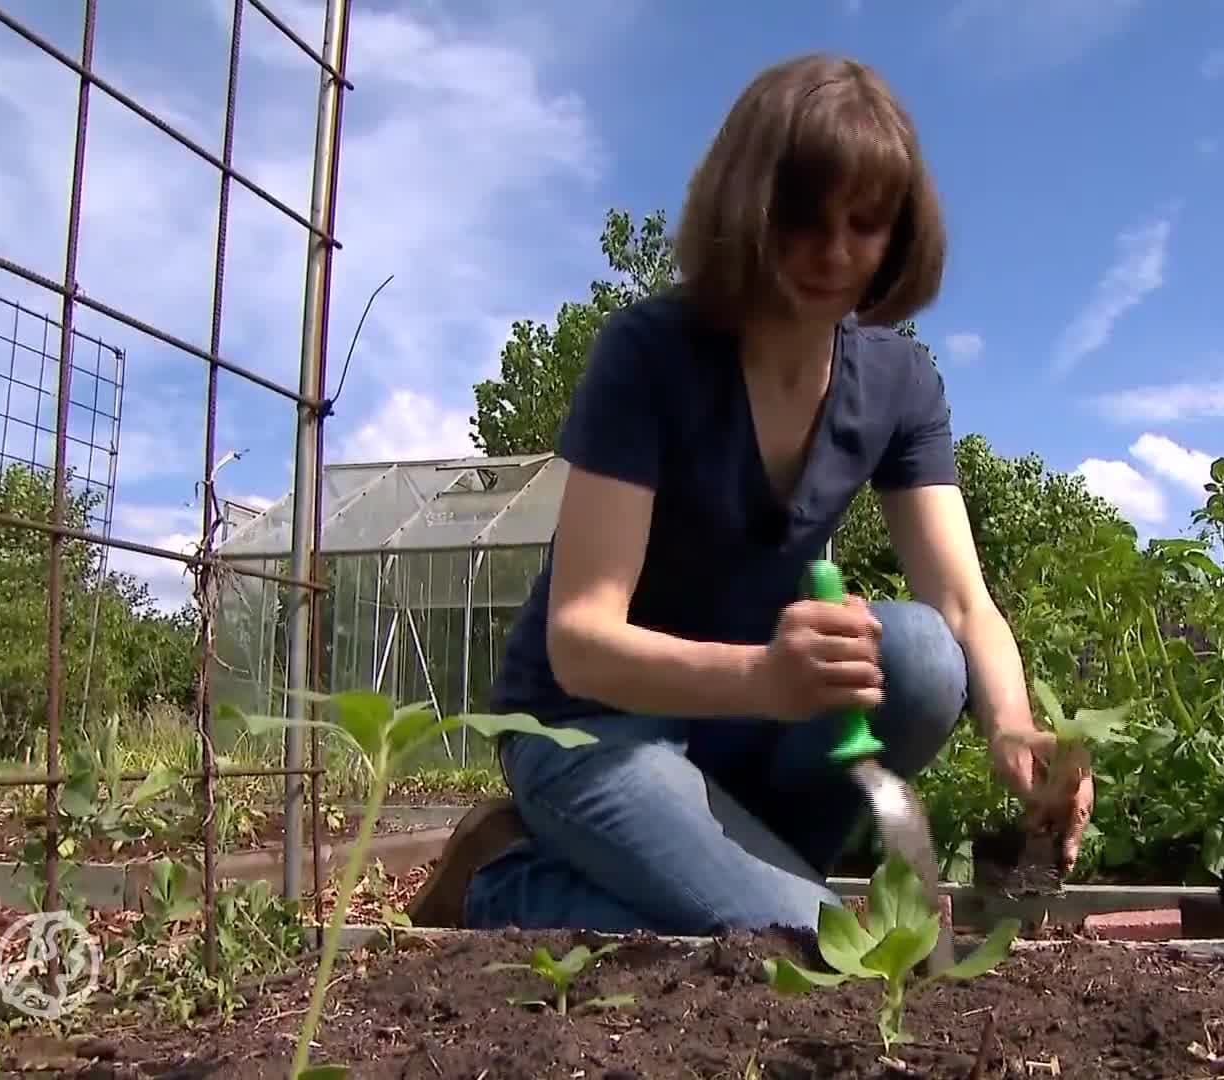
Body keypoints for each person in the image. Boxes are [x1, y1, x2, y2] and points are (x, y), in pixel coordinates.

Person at [406, 53, 1093, 935]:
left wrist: (1014, 729)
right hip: (593, 727)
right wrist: (765, 678)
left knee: (921, 660)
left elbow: (962, 602)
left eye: (866, 224)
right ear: (747, 207)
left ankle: (740, 877)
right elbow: (579, 640)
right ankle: (498, 881)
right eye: (804, 219)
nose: (835, 253)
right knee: (823, 946)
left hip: (743, 728)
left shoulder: (896, 382)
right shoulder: (651, 355)